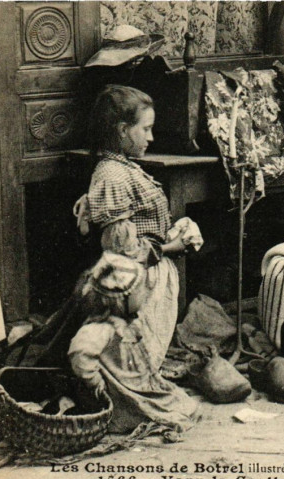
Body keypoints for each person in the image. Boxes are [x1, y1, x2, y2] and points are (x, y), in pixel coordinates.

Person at [74, 85, 194, 370]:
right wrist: (169, 248)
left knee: (143, 362)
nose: (151, 138)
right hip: (136, 288)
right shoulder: (113, 174)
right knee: (135, 365)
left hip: (149, 277)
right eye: (146, 129)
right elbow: (121, 252)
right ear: (123, 130)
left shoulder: (123, 166)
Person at [69, 251, 197, 433]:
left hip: (134, 381)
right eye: (140, 290)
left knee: (180, 401)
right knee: (152, 410)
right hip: (118, 389)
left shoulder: (127, 322)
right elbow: (79, 352)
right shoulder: (100, 329)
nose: (145, 294)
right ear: (121, 298)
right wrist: (95, 382)